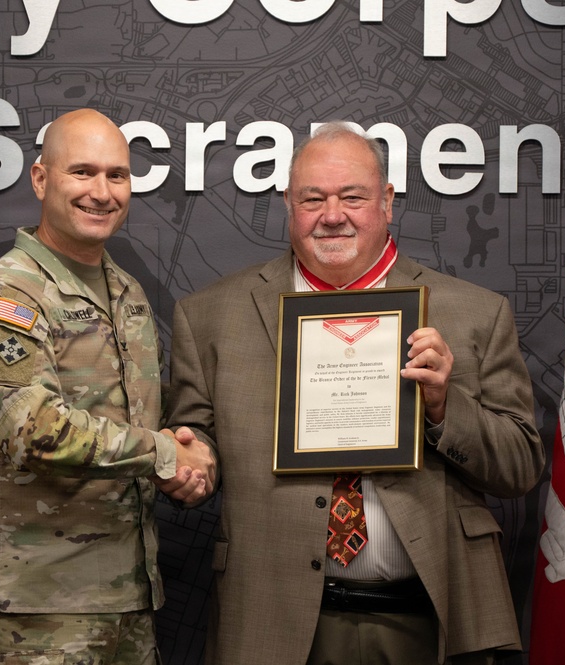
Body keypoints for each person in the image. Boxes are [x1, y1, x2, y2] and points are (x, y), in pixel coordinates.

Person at [164, 122, 545, 665]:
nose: (333, 214)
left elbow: (519, 469)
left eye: (353, 197)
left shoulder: (474, 313)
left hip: (432, 616)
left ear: (387, 202)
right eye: (312, 198)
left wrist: (442, 407)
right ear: (288, 204)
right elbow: (194, 441)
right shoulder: (209, 316)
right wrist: (189, 462)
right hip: (273, 619)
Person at [0, 108, 214, 665]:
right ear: (42, 179)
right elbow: (33, 430)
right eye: (83, 172)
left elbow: (134, 427)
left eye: (117, 175)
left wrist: (186, 465)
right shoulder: (10, 297)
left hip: (128, 596)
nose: (102, 192)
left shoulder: (127, 293)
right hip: (36, 607)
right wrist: (165, 453)